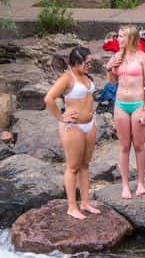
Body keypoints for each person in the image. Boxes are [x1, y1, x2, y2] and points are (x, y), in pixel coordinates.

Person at [44, 46, 102, 220]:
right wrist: (61, 117)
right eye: (87, 63)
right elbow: (49, 98)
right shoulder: (67, 78)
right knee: (73, 166)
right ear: (76, 63)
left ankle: (85, 202)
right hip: (73, 126)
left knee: (85, 165)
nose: (89, 66)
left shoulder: (85, 77)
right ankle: (71, 206)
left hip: (89, 124)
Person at [105, 25, 145, 199]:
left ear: (130, 38)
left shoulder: (143, 58)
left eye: (121, 36)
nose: (118, 39)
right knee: (124, 146)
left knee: (139, 145)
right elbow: (112, 82)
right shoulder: (118, 56)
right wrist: (110, 67)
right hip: (121, 103)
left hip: (138, 103)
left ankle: (141, 182)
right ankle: (125, 185)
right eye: (118, 36)